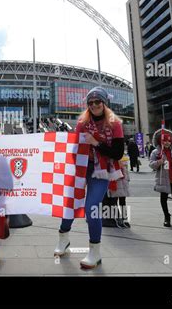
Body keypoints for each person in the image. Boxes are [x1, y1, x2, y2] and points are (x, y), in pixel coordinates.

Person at [53, 87, 124, 269]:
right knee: (70, 202)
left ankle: (95, 251)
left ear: (104, 103)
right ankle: (63, 239)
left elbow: (117, 153)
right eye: (90, 103)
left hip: (102, 169)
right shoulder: (82, 122)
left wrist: (95, 143)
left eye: (97, 102)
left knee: (92, 207)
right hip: (81, 166)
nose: (94, 105)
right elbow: (74, 147)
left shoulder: (114, 123)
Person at [107, 155, 131, 228]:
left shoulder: (123, 159)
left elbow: (126, 172)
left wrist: (127, 179)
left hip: (123, 184)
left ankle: (124, 218)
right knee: (114, 201)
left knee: (122, 201)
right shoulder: (111, 160)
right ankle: (118, 218)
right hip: (115, 184)